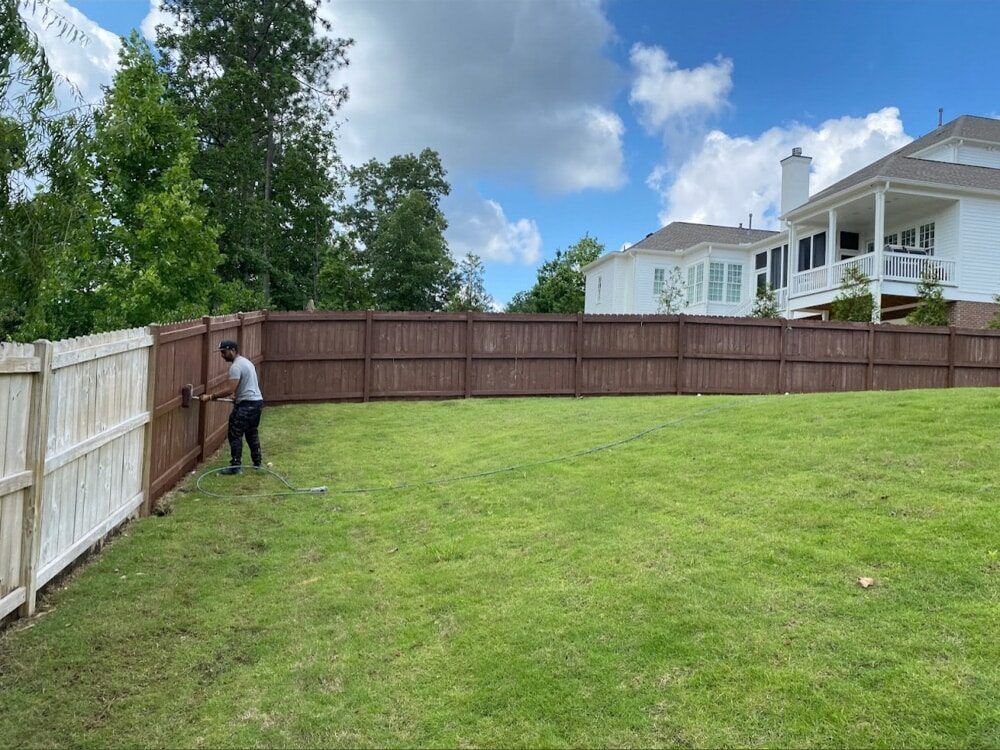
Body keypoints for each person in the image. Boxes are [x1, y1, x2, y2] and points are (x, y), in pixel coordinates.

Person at [200, 340, 264, 475]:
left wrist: (211, 396)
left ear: (233, 350)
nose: (222, 355)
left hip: (247, 405)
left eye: (224, 352)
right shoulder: (246, 362)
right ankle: (257, 462)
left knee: (235, 433)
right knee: (251, 433)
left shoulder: (236, 367)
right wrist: (238, 396)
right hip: (256, 402)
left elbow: (230, 389)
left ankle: (235, 466)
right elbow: (246, 384)